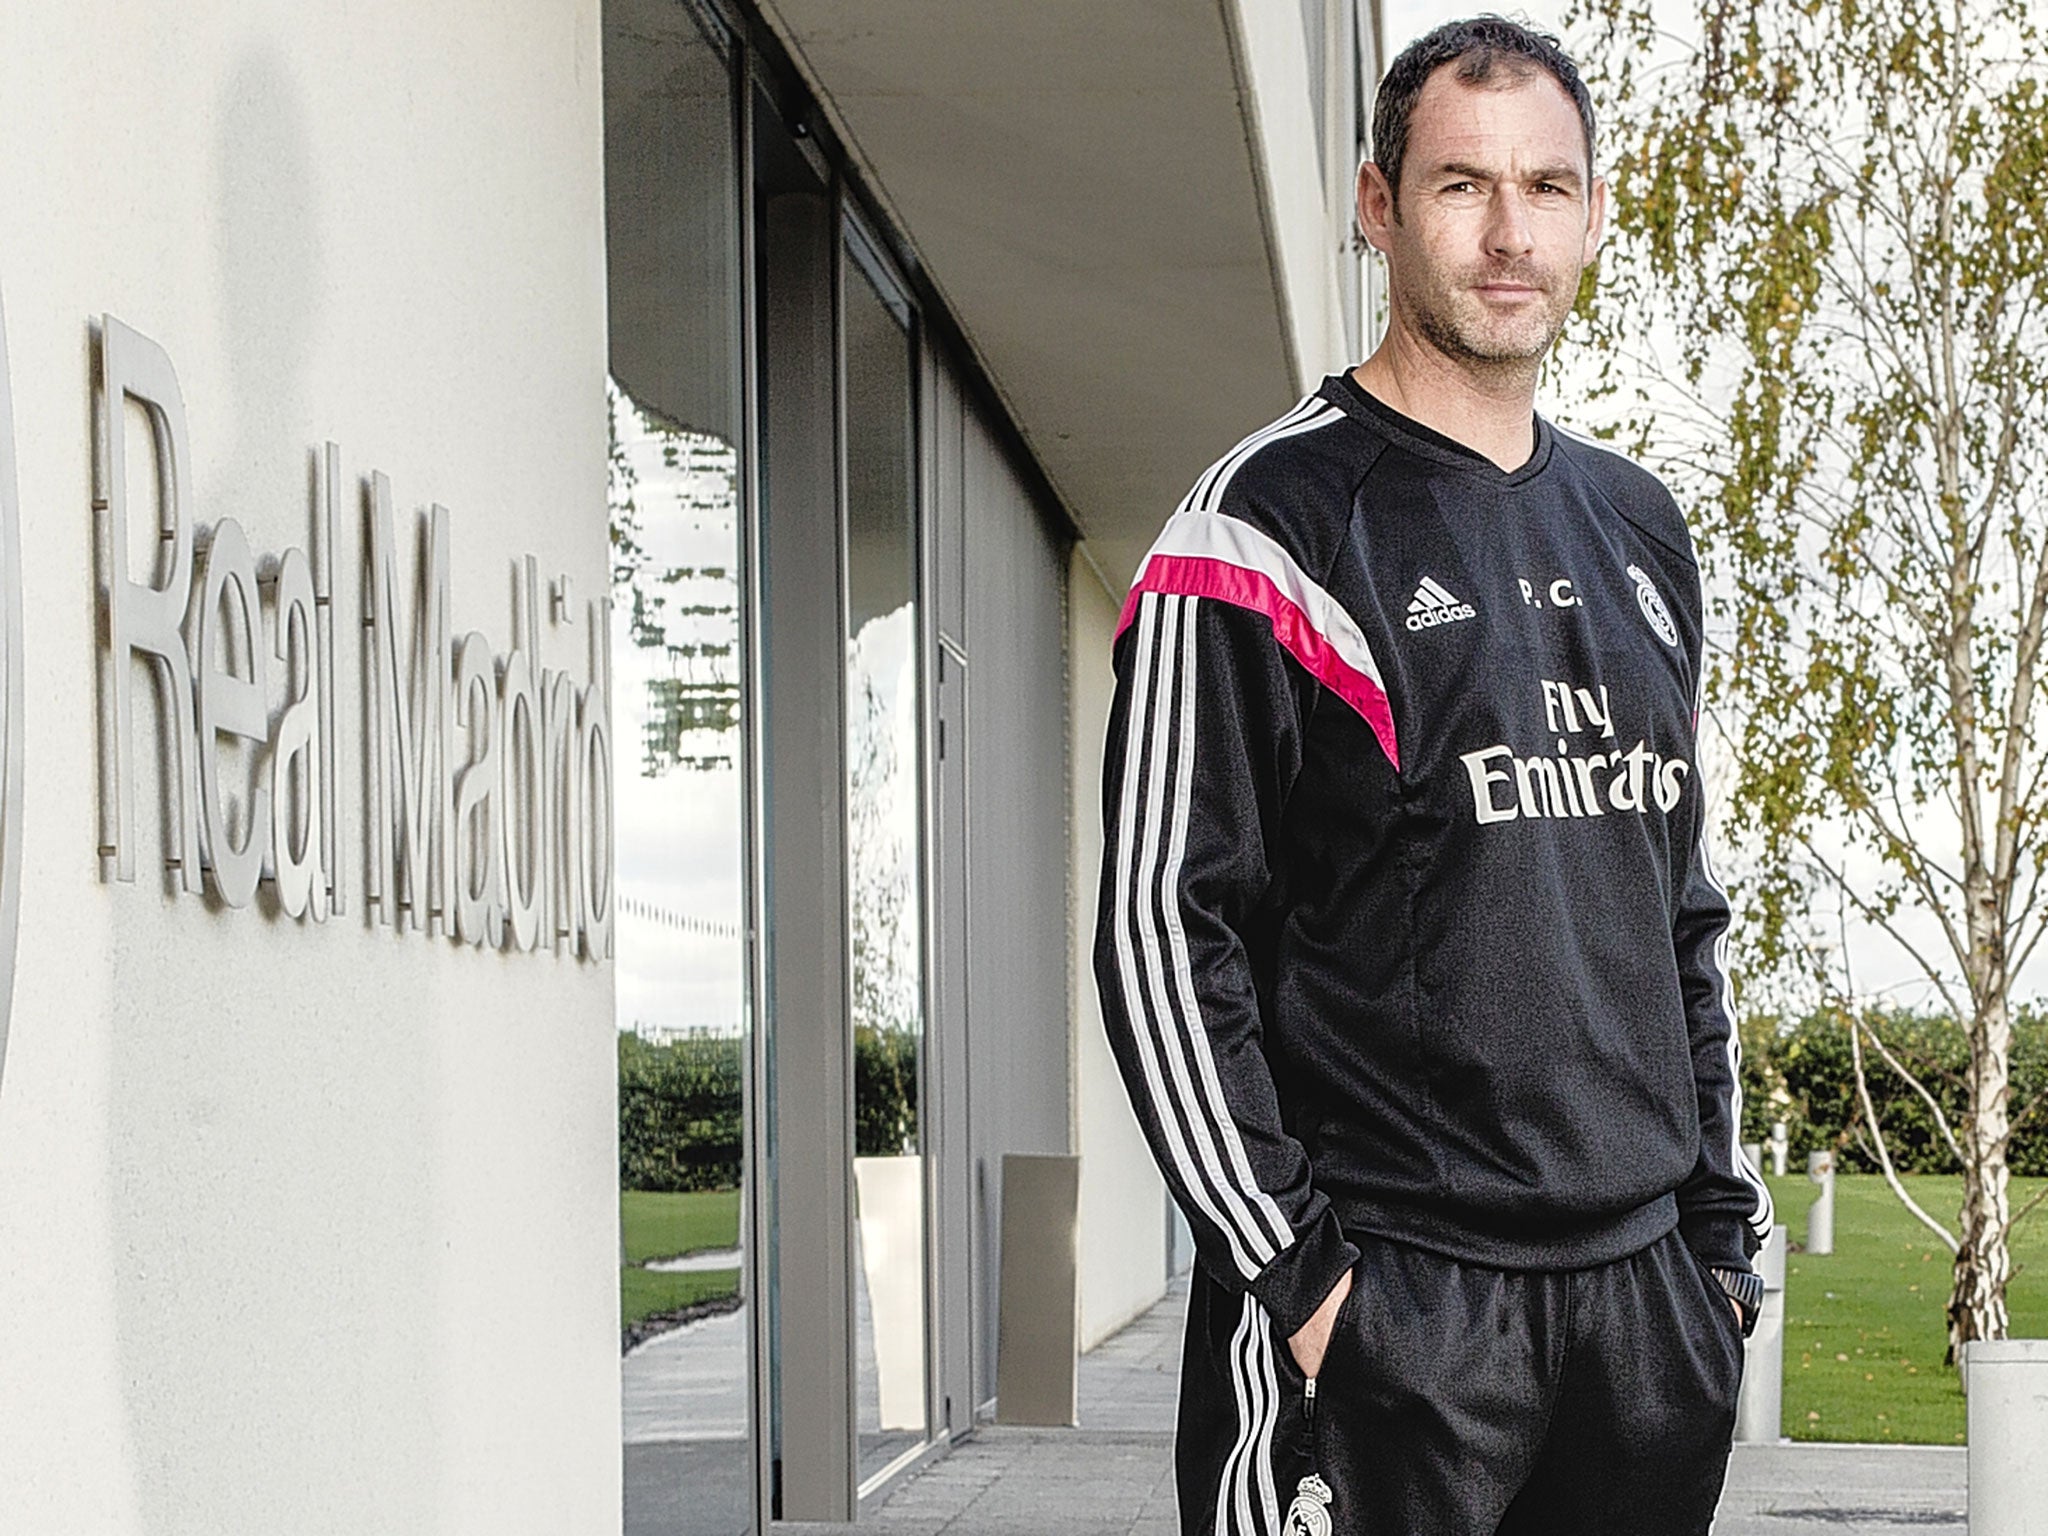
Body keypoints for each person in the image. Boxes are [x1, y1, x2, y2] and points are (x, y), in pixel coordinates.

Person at [1092, 16, 1773, 1535]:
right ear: (1377, 205)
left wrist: (1717, 1249)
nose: (1512, 232)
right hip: (1397, 1317)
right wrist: (1305, 1282)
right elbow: (1158, 936)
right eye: (1464, 186)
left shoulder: (1638, 529)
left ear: (1597, 210)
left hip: (1647, 1321)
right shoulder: (1258, 534)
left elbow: (1679, 914)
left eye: (1549, 185)